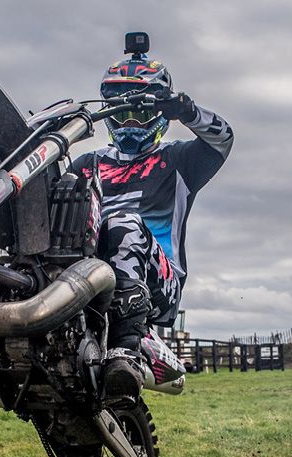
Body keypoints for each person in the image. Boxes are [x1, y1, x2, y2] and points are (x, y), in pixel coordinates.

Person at [71, 41, 234, 399]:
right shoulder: (88, 163)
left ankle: (127, 349)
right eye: (122, 113)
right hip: (90, 276)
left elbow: (223, 140)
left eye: (141, 114)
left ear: (159, 117)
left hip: (159, 283)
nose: (131, 124)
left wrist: (186, 111)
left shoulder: (179, 160)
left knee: (122, 223)